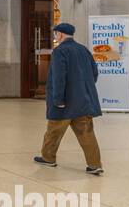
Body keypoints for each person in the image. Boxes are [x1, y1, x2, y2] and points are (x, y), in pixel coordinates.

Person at [33, 22, 104, 175]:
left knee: (53, 131)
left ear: (59, 34)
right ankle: (94, 164)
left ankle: (48, 158)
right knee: (87, 133)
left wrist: (58, 100)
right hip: (83, 102)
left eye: (55, 34)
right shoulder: (84, 50)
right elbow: (94, 74)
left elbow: (59, 77)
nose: (55, 37)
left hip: (65, 103)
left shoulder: (60, 51)